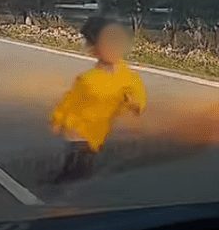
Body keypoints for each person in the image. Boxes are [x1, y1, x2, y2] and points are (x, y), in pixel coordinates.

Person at [49, 16, 147, 184]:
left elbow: (138, 101)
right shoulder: (88, 79)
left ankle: (67, 186)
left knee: (79, 171)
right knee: (73, 170)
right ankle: (65, 183)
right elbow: (70, 100)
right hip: (78, 131)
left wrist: (134, 104)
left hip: (92, 134)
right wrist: (58, 120)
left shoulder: (127, 78)